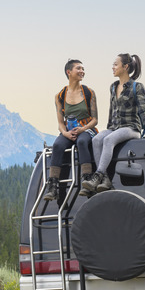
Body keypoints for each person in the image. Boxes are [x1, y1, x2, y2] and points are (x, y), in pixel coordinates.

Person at [82, 54, 145, 193]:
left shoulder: (137, 87)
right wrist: (109, 128)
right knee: (97, 139)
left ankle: (98, 175)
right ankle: (105, 180)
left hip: (131, 128)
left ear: (125, 67)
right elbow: (112, 111)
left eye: (116, 64)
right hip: (114, 128)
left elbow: (144, 110)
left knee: (109, 140)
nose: (113, 67)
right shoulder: (113, 87)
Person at [43, 59, 99, 201]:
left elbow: (95, 120)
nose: (82, 71)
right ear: (69, 72)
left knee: (82, 143)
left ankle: (87, 181)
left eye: (83, 69)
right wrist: (65, 133)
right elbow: (60, 123)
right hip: (68, 130)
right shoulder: (60, 96)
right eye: (78, 68)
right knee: (57, 145)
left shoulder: (89, 93)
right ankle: (53, 187)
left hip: (87, 129)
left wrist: (82, 129)